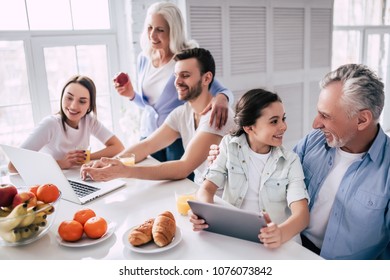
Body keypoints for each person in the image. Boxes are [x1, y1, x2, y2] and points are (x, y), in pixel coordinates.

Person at [209, 64, 390, 259]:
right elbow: (273, 175)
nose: (315, 124)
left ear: (362, 120)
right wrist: (229, 160)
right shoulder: (314, 141)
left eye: (326, 116)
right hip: (291, 247)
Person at [80, 48, 235, 184]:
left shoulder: (217, 115)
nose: (177, 82)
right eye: (176, 76)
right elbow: (147, 145)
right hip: (202, 194)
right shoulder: (182, 113)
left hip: (225, 202)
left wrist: (125, 171)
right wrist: (110, 163)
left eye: (185, 75)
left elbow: (184, 167)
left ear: (206, 78)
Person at [114, 1, 233, 164]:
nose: (152, 35)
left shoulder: (184, 60)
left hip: (176, 137)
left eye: (160, 30)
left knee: (179, 183)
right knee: (149, 181)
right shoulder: (144, 58)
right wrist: (132, 95)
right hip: (148, 133)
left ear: (173, 31)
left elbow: (221, 90)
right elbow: (151, 106)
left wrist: (221, 99)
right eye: (150, 28)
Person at [190, 89, 310, 249]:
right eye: (274, 121)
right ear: (249, 127)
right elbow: (207, 188)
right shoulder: (229, 146)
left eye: (283, 119)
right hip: (236, 237)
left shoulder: (290, 161)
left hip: (276, 243)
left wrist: (280, 233)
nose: (284, 126)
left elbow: (302, 216)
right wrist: (204, 214)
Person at [8, 75, 125, 172]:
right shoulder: (50, 124)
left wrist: (86, 157)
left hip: (78, 179)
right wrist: (61, 163)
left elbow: (118, 147)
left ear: (89, 105)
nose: (73, 106)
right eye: (69, 98)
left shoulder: (89, 120)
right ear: (62, 97)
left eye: (82, 101)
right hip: (51, 185)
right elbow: (13, 166)